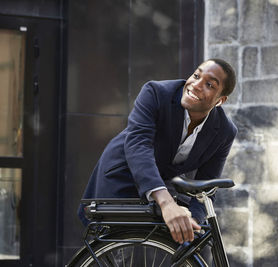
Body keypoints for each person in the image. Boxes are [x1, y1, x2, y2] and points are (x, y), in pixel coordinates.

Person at [78, 58, 237, 244]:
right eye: (196, 75)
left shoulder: (224, 132)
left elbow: (207, 185)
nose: (196, 85)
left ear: (220, 101)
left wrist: (194, 222)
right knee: (120, 251)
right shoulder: (156, 93)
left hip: (161, 185)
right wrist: (167, 203)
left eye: (209, 84)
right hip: (123, 177)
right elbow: (138, 146)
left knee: (195, 246)